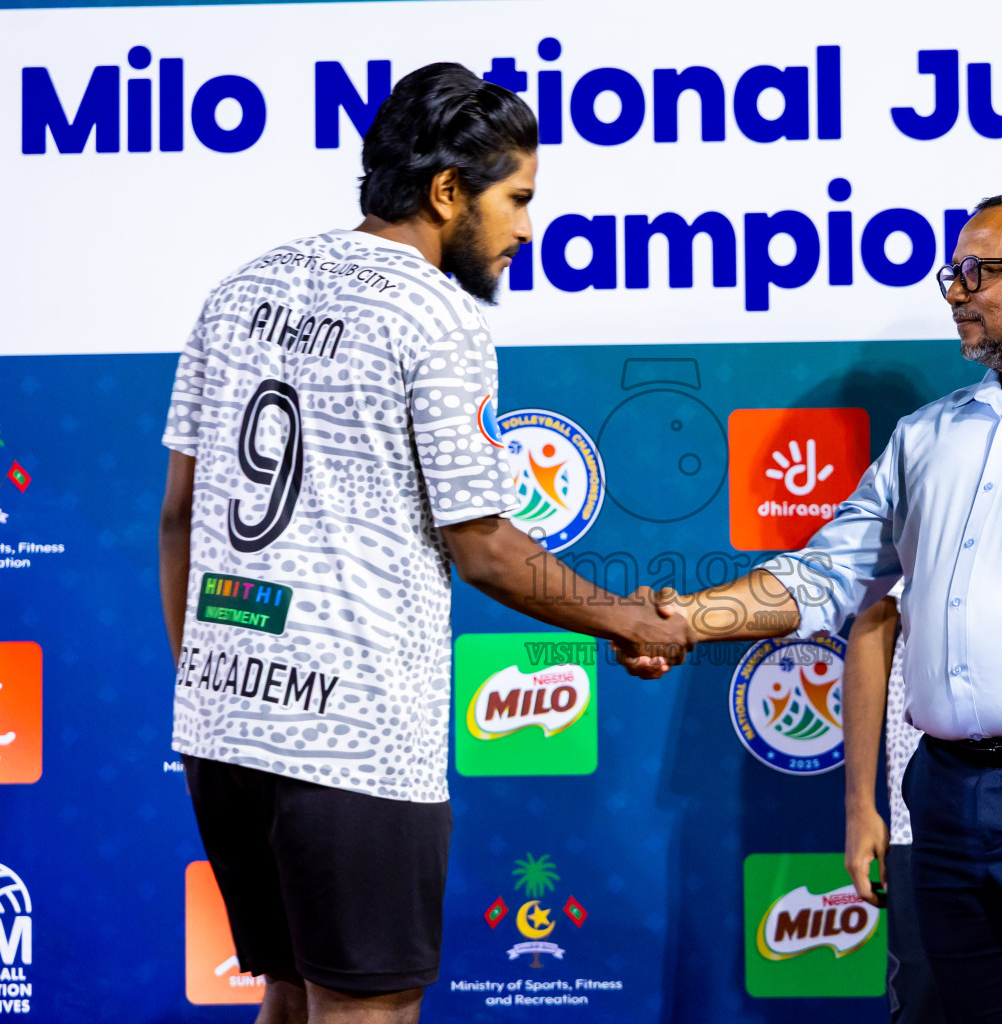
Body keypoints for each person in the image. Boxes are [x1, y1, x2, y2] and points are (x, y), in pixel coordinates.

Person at [624, 187, 1002, 1023]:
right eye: (953, 271)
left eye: (977, 271)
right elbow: (824, 577)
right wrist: (680, 622)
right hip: (947, 795)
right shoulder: (925, 436)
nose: (954, 289)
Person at [157, 63, 689, 1024]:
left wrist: (203, 678)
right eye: (518, 198)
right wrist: (624, 621)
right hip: (352, 736)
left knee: (286, 991)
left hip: (222, 724)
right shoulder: (435, 313)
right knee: (369, 1007)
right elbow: (482, 543)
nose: (528, 228)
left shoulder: (239, 289)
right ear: (448, 192)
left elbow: (179, 518)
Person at [843, 584, 944, 1023]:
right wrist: (860, 806)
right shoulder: (909, 511)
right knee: (928, 1002)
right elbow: (876, 621)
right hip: (925, 810)